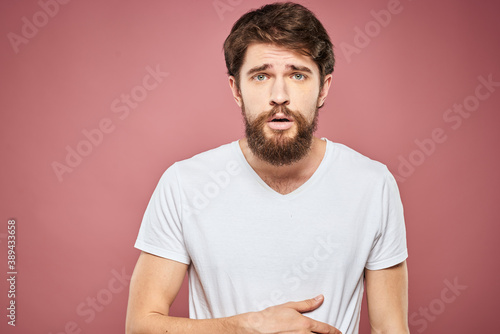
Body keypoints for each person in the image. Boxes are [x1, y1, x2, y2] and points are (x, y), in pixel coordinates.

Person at [126, 2, 409, 334]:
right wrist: (249, 327)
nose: (279, 95)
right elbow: (141, 326)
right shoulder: (184, 184)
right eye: (261, 76)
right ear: (236, 89)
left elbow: (391, 329)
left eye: (298, 74)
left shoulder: (373, 185)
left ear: (324, 88)